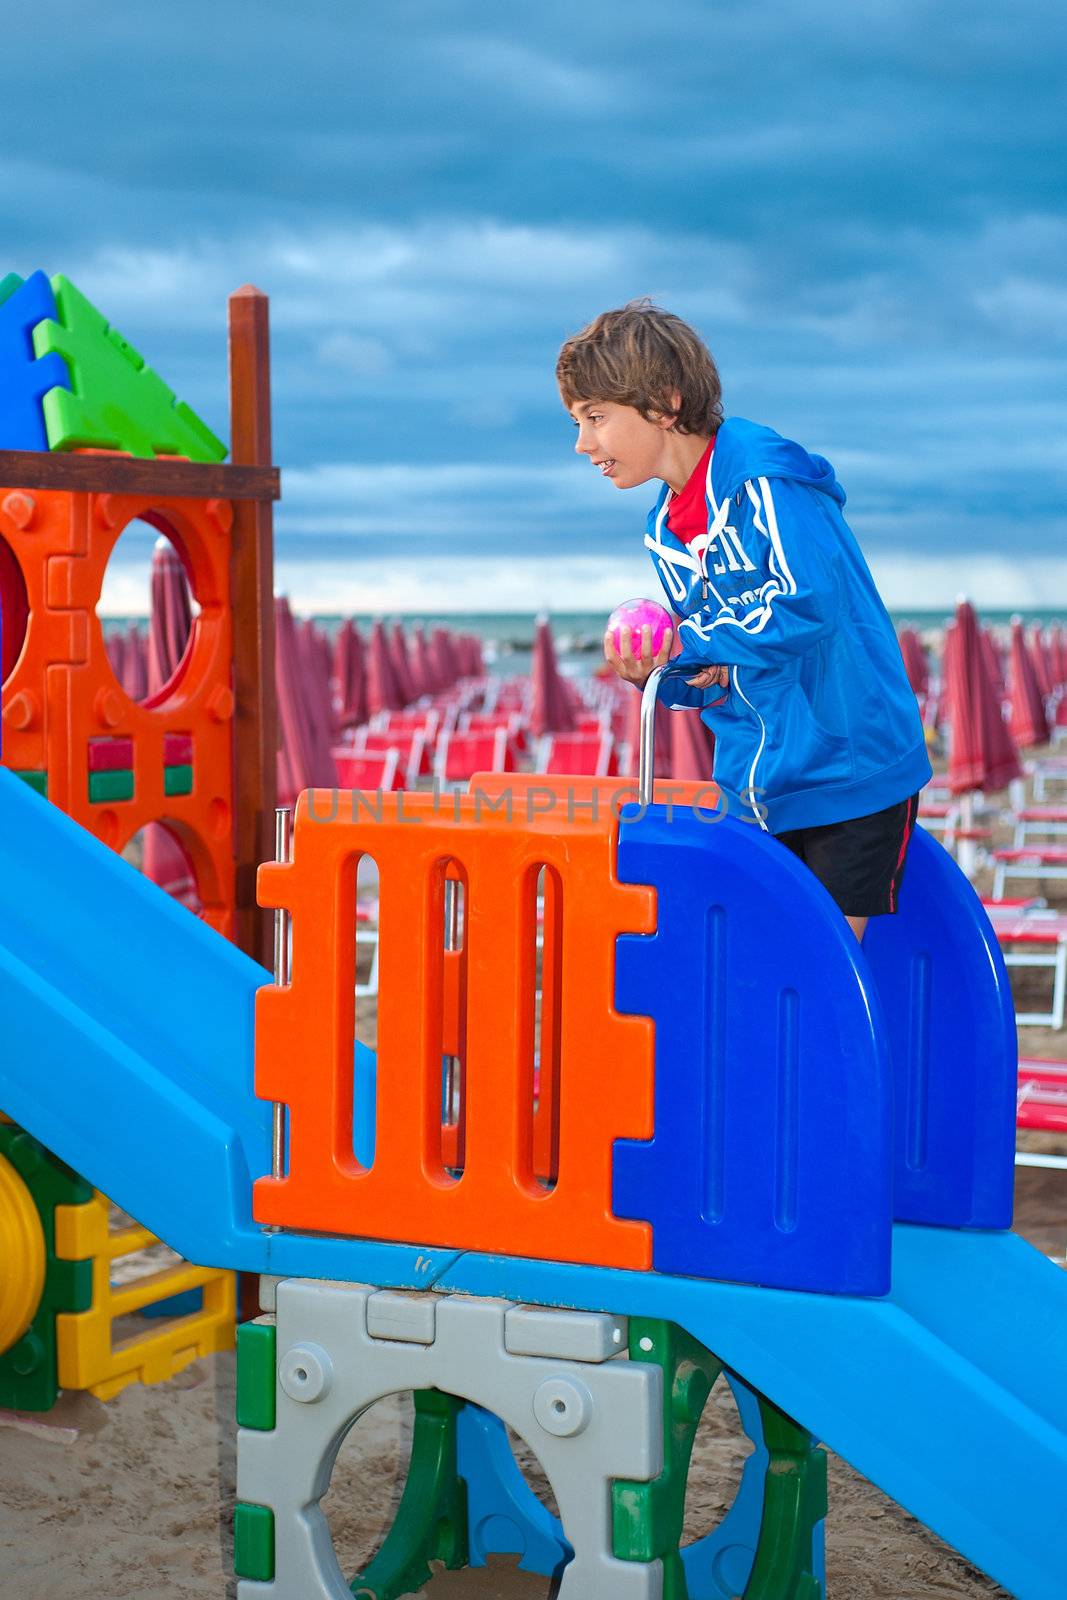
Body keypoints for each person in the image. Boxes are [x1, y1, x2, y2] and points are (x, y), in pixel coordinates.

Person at [556, 299, 932, 941]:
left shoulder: (763, 481)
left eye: (595, 418)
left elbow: (806, 602)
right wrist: (660, 673)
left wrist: (688, 640)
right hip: (753, 786)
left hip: (849, 768)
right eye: (576, 422)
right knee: (764, 961)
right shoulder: (665, 528)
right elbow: (721, 664)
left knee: (821, 969)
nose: (583, 443)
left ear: (665, 405)